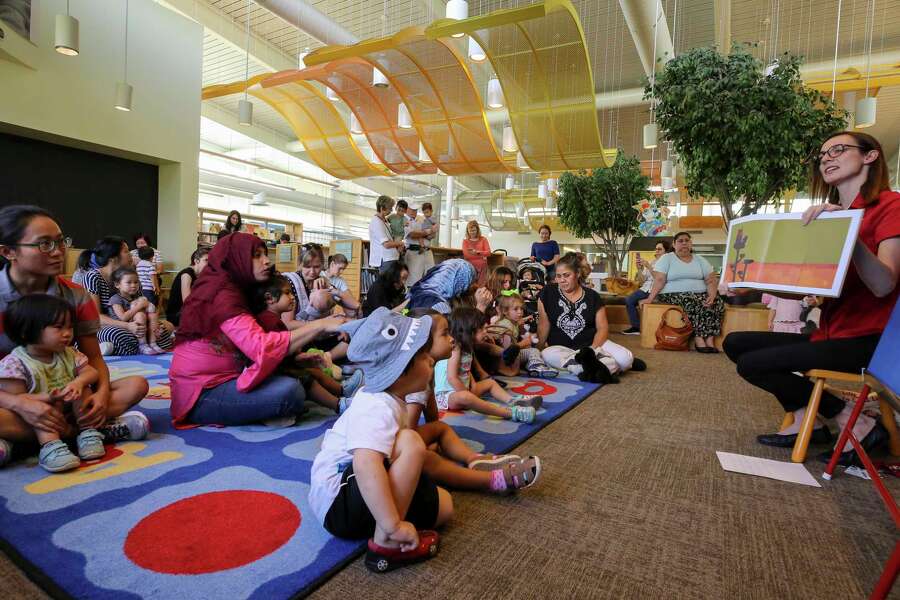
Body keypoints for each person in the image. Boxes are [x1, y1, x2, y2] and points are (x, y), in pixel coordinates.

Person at [724, 131, 900, 464]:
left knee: (753, 363)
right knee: (735, 343)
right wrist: (751, 286)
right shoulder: (830, 215)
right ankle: (817, 419)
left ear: (870, 156)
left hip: (869, 339)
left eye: (838, 150)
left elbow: (884, 284)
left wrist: (846, 233)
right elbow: (812, 291)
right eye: (822, 155)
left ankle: (854, 421)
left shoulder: (890, 205)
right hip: (832, 333)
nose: (827, 158)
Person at [0, 205, 150, 467]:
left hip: (68, 394)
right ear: (8, 251)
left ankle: (27, 441)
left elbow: (93, 357)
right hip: (12, 398)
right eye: (44, 244)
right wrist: (21, 404)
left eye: (60, 241)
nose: (59, 252)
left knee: (136, 385)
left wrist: (101, 394)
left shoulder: (75, 295)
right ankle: (86, 433)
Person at [308, 308, 452, 572]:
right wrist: (392, 524)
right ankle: (385, 541)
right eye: (423, 356)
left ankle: (385, 525)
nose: (431, 361)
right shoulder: (375, 406)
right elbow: (365, 464)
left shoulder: (390, 398)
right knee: (410, 441)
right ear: (399, 372)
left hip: (356, 493)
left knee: (444, 507)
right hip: (338, 500)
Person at [169, 232, 345, 427]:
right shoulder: (222, 296)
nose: (266, 261)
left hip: (230, 377)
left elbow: (252, 346)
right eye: (257, 255)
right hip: (202, 394)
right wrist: (320, 325)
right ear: (236, 259)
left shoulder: (236, 291)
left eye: (264, 254)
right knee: (290, 391)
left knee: (295, 376)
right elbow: (261, 347)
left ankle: (261, 410)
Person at [405, 308, 543, 494]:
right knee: (429, 459)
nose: (452, 338)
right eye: (445, 334)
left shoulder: (426, 375)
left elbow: (433, 420)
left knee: (442, 429)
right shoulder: (416, 384)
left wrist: (435, 439)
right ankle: (490, 480)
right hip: (391, 448)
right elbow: (407, 433)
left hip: (401, 440)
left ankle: (474, 458)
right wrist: (427, 446)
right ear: (423, 342)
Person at [0, 295, 105, 472]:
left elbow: (91, 372)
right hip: (37, 415)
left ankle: (88, 432)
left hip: (71, 409)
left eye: (70, 327)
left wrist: (78, 383)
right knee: (40, 407)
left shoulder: (69, 353)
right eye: (58, 327)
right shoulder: (15, 362)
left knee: (85, 389)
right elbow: (18, 398)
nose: (67, 333)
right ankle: (51, 446)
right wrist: (48, 397)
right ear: (28, 331)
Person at [253, 275, 361, 413]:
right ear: (270, 298)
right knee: (307, 377)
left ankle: (342, 390)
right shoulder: (269, 322)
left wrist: (301, 357)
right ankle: (338, 405)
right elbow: (275, 355)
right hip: (273, 372)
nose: (292, 297)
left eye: (292, 293)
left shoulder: (274, 319)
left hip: (281, 366)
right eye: (287, 293)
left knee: (313, 370)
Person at [538, 252, 644, 383]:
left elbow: (602, 328)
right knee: (547, 355)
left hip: (591, 345)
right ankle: (601, 366)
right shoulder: (547, 292)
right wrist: (538, 349)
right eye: (558, 276)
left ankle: (585, 367)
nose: (561, 280)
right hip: (561, 348)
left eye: (566, 275)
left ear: (577, 274)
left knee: (625, 359)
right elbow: (543, 325)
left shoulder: (592, 296)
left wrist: (591, 351)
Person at [434, 307, 541, 421]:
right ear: (469, 330)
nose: (486, 332)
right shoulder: (456, 347)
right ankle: (511, 413)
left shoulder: (468, 347)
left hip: (463, 389)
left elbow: (466, 370)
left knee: (490, 383)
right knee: (466, 397)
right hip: (446, 395)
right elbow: (452, 378)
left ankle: (512, 400)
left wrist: (473, 385)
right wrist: (467, 393)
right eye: (482, 329)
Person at [81, 237, 174, 356]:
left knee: (167, 326)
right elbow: (95, 317)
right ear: (113, 258)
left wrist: (152, 324)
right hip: (108, 326)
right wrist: (128, 326)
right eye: (126, 251)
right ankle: (130, 346)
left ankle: (118, 348)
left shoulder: (131, 277)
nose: (130, 254)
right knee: (114, 335)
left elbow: (142, 306)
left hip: (136, 322)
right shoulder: (93, 277)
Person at [639, 232, 725, 353]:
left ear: (691, 243)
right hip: (672, 293)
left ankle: (710, 339)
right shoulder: (667, 258)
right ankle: (699, 338)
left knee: (717, 302)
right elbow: (659, 279)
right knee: (693, 301)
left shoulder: (699, 259)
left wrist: (712, 295)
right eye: (680, 241)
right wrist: (650, 298)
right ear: (674, 244)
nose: (684, 243)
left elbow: (711, 279)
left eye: (687, 240)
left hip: (700, 293)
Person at [482, 294, 557, 378]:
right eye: (516, 309)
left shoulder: (511, 323)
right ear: (505, 311)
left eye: (521, 308)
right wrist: (523, 344)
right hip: (505, 358)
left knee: (532, 351)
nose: (520, 312)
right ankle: (535, 366)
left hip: (508, 356)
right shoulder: (507, 325)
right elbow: (509, 350)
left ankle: (533, 365)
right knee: (533, 351)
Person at [108, 267, 165, 355]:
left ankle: (153, 343)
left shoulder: (136, 296)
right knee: (140, 315)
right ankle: (142, 344)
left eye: (136, 282)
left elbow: (151, 309)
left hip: (137, 323)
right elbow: (123, 317)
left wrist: (148, 307)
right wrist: (139, 306)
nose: (133, 285)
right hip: (124, 325)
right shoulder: (115, 299)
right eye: (129, 282)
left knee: (153, 315)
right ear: (117, 285)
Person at [407, 258, 492, 315]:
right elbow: (456, 338)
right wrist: (480, 307)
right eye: (469, 283)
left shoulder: (414, 293)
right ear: (459, 283)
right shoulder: (440, 307)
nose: (466, 288)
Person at [622, 240, 673, 335]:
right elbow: (642, 280)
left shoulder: (667, 263)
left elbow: (659, 279)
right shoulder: (652, 261)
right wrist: (640, 269)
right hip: (645, 289)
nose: (656, 251)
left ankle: (639, 327)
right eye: (656, 249)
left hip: (657, 290)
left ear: (666, 252)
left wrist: (649, 266)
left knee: (632, 300)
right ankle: (636, 327)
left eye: (659, 249)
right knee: (629, 300)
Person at [167, 247, 209, 327]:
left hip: (188, 311)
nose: (209, 263)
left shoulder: (200, 275)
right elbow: (187, 302)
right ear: (196, 261)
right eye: (206, 260)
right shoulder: (187, 274)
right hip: (177, 314)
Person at [368, 195, 404, 274]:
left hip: (391, 258)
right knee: (386, 284)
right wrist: (401, 243)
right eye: (389, 208)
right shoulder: (376, 222)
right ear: (382, 208)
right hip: (386, 259)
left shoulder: (385, 221)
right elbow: (386, 244)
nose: (391, 210)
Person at [404, 204, 437, 286]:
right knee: (414, 281)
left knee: (431, 278)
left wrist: (422, 233)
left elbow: (433, 234)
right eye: (411, 209)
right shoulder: (404, 220)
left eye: (415, 210)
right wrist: (426, 232)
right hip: (414, 252)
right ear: (406, 210)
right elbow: (412, 234)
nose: (413, 212)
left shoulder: (422, 218)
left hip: (428, 251)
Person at [325, 253, 361, 317]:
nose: (341, 272)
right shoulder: (320, 275)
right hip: (318, 309)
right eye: (340, 268)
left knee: (353, 311)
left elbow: (349, 297)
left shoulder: (340, 281)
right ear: (332, 264)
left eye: (343, 269)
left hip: (329, 313)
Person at [461, 220, 491, 286]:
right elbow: (467, 256)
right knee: (471, 286)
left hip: (482, 267)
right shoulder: (465, 241)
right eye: (470, 231)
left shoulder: (483, 239)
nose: (472, 232)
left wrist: (477, 252)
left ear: (477, 230)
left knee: (481, 286)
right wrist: (482, 256)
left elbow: (488, 253)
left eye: (474, 230)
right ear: (467, 231)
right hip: (470, 267)